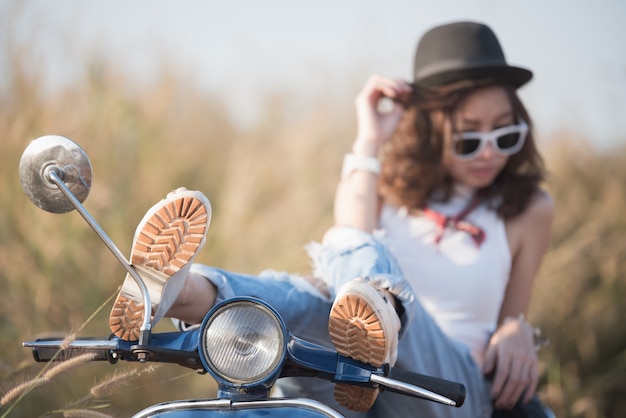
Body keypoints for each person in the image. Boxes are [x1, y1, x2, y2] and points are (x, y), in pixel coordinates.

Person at [108, 21, 553, 418]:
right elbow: (350, 232)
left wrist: (519, 330)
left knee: (338, 276)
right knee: (271, 388)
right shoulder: (386, 189)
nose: (491, 150)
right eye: (470, 138)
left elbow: (512, 314)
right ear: (432, 128)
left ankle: (384, 308)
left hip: (451, 393)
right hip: (359, 389)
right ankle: (177, 291)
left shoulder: (528, 209)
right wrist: (368, 138)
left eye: (506, 133)